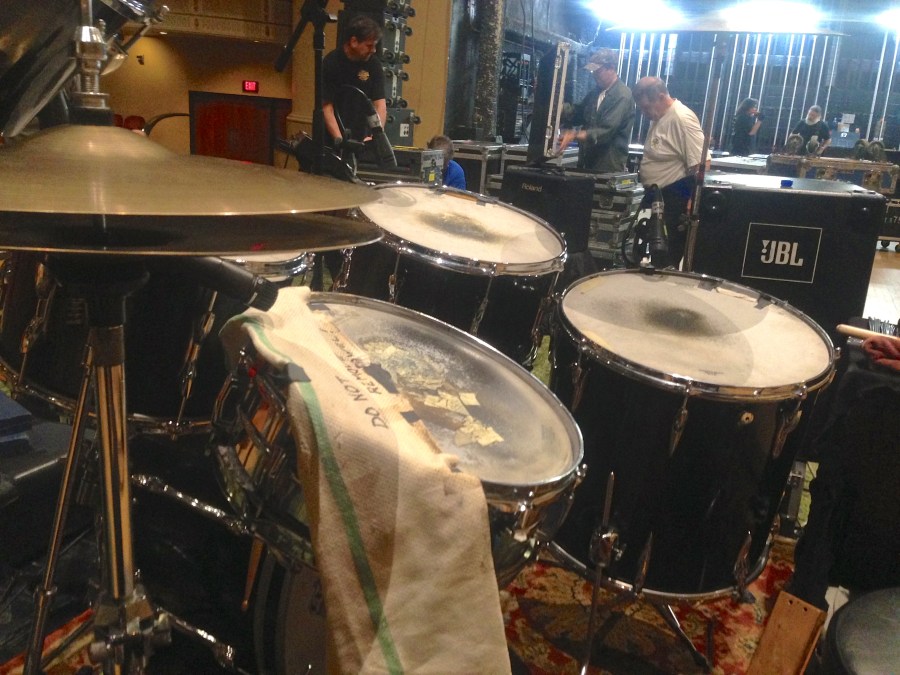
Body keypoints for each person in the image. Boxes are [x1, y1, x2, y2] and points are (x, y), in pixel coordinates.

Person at [632, 77, 706, 268]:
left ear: (661, 96)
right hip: (656, 197)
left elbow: (702, 163)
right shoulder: (660, 116)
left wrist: (692, 201)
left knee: (664, 259)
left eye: (646, 108)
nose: (644, 113)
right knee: (645, 256)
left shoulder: (681, 118)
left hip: (674, 198)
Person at [558, 48, 634, 173]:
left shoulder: (622, 95)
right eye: (592, 71)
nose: (594, 75)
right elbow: (577, 113)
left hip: (607, 167)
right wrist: (557, 107)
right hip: (588, 162)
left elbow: (606, 131)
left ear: (611, 68)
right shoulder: (595, 93)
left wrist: (574, 135)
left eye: (598, 71)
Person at [322, 15, 386, 149]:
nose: (373, 50)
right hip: (333, 139)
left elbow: (380, 104)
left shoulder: (374, 64)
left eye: (375, 46)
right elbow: (327, 107)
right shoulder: (331, 62)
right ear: (354, 41)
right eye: (369, 46)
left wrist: (376, 136)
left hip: (363, 138)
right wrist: (340, 140)